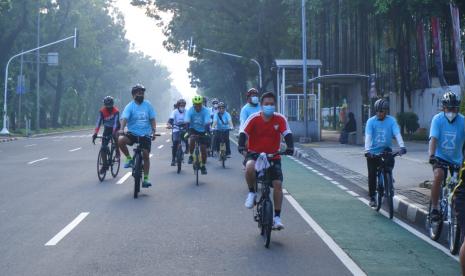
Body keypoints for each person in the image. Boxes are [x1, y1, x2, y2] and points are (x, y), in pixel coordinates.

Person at [238, 92, 294, 230]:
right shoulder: (253, 118)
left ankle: (277, 218)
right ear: (261, 106)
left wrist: (290, 147)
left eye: (271, 104)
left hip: (273, 156)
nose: (269, 106)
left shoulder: (280, 119)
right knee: (249, 166)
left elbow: (287, 134)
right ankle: (251, 192)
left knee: (278, 185)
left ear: (275, 105)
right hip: (255, 154)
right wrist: (241, 145)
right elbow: (243, 133)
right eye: (266, 104)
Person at [429, 91, 465, 225]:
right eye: (448, 108)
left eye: (454, 108)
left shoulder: (463, 121)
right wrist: (431, 156)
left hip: (457, 160)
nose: (451, 111)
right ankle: (435, 208)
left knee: (459, 186)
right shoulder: (437, 119)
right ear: (443, 107)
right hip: (440, 157)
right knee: (438, 175)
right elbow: (433, 139)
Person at [364, 98, 407, 208]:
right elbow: (368, 137)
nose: (379, 113)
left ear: (386, 111)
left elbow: (397, 133)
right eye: (377, 111)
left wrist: (402, 146)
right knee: (372, 174)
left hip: (385, 150)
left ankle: (388, 177)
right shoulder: (371, 122)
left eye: (381, 111)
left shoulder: (391, 121)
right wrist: (367, 151)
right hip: (373, 152)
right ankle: (373, 197)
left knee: (391, 159)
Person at [118, 84, 157, 188]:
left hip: (145, 134)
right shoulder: (129, 106)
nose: (140, 94)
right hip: (133, 134)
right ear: (133, 95)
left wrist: (153, 130)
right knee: (120, 140)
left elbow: (152, 119)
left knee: (145, 155)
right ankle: (129, 158)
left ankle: (146, 179)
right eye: (138, 92)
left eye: (142, 92)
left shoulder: (148, 105)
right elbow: (124, 119)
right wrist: (122, 129)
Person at [92, 96, 121, 174]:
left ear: (112, 105)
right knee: (103, 147)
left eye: (110, 106)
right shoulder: (102, 111)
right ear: (104, 105)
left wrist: (114, 132)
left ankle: (117, 151)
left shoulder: (116, 111)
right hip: (107, 128)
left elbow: (115, 123)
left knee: (115, 137)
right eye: (107, 106)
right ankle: (105, 166)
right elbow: (98, 122)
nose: (108, 108)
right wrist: (95, 133)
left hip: (115, 127)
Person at [185, 95, 211, 175]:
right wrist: (188, 132)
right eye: (196, 104)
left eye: (199, 104)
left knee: (203, 149)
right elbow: (187, 121)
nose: (198, 106)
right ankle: (191, 155)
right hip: (193, 129)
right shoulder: (190, 110)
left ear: (201, 104)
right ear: (194, 104)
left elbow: (207, 123)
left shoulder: (206, 111)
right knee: (192, 139)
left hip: (203, 130)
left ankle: (203, 166)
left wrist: (207, 132)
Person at [167, 99, 188, 166]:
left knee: (186, 138)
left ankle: (187, 149)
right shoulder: (174, 112)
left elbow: (190, 119)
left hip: (184, 128)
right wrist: (169, 125)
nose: (182, 107)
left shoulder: (187, 111)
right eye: (181, 105)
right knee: (175, 142)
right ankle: (173, 159)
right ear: (178, 106)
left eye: (183, 105)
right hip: (176, 128)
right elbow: (170, 120)